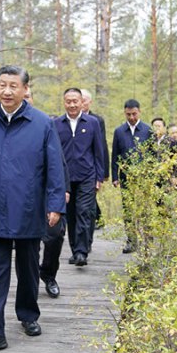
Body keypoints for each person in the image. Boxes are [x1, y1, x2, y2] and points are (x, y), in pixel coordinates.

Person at [0, 65, 66, 353]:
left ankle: (28, 314)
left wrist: (55, 204)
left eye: (13, 85)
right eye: (2, 84)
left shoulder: (41, 123)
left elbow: (55, 168)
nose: (7, 91)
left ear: (25, 89)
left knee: (27, 267)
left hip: (27, 206)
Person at [24, 88, 69, 299]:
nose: (24, 100)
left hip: (48, 194)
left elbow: (59, 162)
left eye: (27, 96)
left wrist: (63, 191)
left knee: (54, 237)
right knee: (28, 246)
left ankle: (48, 275)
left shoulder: (44, 123)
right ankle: (30, 285)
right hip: (22, 197)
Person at [54, 88, 105, 267]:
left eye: (75, 101)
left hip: (87, 176)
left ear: (81, 102)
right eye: (69, 101)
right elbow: (53, 153)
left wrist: (100, 176)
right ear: (64, 102)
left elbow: (99, 151)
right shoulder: (56, 124)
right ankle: (75, 250)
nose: (72, 104)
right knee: (71, 215)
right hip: (65, 178)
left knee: (84, 211)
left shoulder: (92, 123)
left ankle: (82, 252)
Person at [111, 99, 152, 254]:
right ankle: (131, 240)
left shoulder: (148, 131)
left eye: (134, 114)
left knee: (145, 209)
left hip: (144, 178)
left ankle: (148, 239)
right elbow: (115, 155)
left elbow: (154, 155)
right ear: (125, 113)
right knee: (128, 209)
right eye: (128, 114)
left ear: (139, 112)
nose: (132, 117)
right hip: (126, 178)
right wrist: (115, 175)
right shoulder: (119, 131)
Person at [81, 89, 109, 231]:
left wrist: (104, 172)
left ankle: (94, 224)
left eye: (85, 100)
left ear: (90, 102)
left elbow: (102, 146)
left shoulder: (97, 120)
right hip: (78, 167)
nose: (82, 103)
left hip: (92, 166)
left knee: (89, 199)